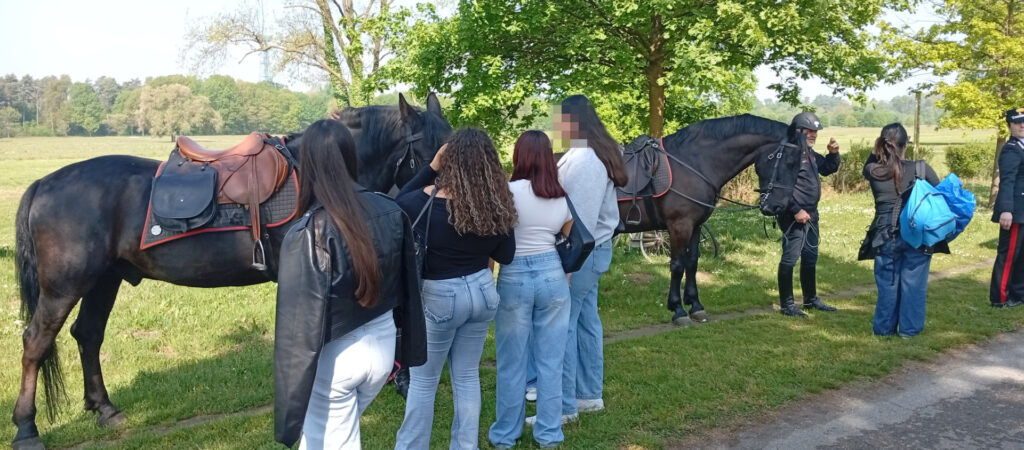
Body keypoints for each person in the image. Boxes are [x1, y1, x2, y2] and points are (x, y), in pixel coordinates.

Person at [273, 119, 427, 449]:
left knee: (330, 439)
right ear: (350, 156)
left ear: (309, 163)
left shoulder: (308, 233)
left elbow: (297, 331)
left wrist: (288, 410)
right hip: (382, 349)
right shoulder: (390, 209)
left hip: (337, 360)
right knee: (326, 437)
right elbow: (409, 290)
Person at [393, 128, 517, 450]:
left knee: (423, 381)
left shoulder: (423, 200)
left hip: (440, 297)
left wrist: (431, 167)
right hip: (482, 290)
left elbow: (398, 202)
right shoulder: (495, 204)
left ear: (449, 160)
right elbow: (506, 255)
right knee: (466, 376)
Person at [489, 131, 574, 448]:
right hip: (552, 273)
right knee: (552, 362)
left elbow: (495, 241)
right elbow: (566, 238)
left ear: (518, 157)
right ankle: (549, 433)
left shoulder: (505, 193)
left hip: (513, 275)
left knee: (512, 362)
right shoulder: (560, 195)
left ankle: (505, 435)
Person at [550, 95, 628, 423]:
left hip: (581, 254)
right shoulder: (592, 155)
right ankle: (588, 395)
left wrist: (568, 265)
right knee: (585, 322)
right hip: (593, 251)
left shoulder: (585, 161)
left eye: (559, 119)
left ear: (573, 122)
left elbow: (578, 220)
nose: (556, 126)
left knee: (563, 326)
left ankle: (566, 406)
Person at [860, 123, 947, 337]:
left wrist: (878, 148)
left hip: (884, 234)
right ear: (905, 144)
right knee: (914, 285)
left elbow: (870, 162)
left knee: (887, 285)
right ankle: (909, 331)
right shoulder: (920, 168)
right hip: (916, 234)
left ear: (881, 143)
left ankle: (883, 330)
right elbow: (940, 195)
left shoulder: (873, 170)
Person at [777, 112, 841, 317]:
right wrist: (796, 210)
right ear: (798, 131)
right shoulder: (789, 155)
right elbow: (781, 189)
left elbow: (828, 169)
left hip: (812, 214)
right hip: (793, 215)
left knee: (810, 257)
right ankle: (787, 305)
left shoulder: (810, 153)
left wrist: (833, 154)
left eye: (816, 131)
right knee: (790, 258)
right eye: (810, 131)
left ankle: (810, 299)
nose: (814, 134)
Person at [990, 108, 1024, 307]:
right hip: (1014, 212)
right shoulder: (1011, 149)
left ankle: (1018, 293)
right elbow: (1007, 182)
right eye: (1017, 122)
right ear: (1009, 126)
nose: (1022, 126)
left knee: (1022, 257)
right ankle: (1000, 297)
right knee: (1009, 255)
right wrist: (1006, 210)